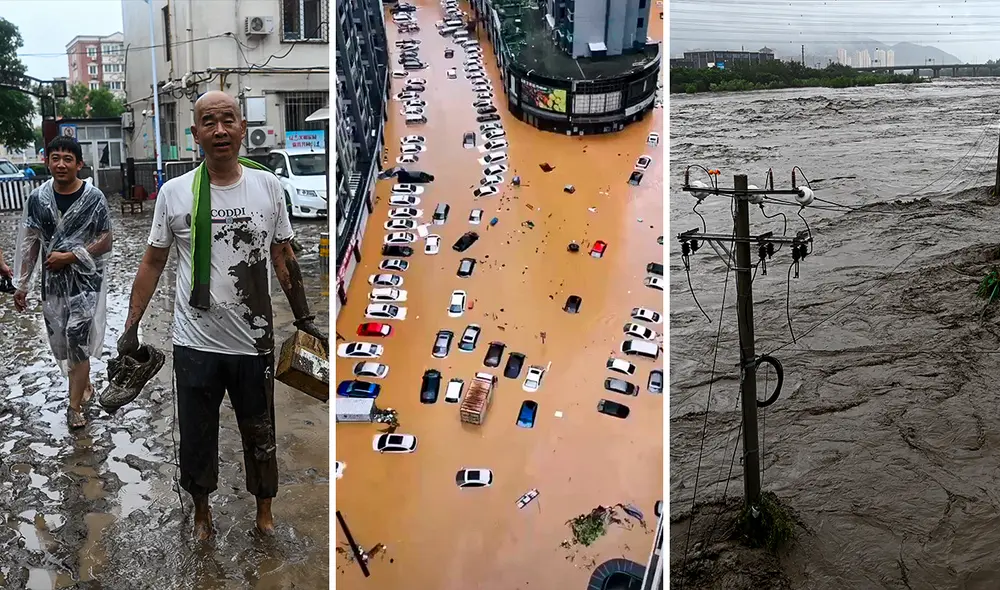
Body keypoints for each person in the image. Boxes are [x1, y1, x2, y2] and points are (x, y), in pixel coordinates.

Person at [118, 90, 327, 540]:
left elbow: (283, 254)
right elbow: (153, 261)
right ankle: (201, 515)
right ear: (195, 134)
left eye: (228, 120)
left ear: (241, 129)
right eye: (208, 123)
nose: (219, 131)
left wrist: (305, 318)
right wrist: (131, 326)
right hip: (195, 343)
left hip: (255, 341)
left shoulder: (268, 186)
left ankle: (264, 513)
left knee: (261, 433)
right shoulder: (174, 194)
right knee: (196, 437)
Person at [12, 136, 113, 429]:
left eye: (68, 159)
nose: (61, 164)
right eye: (55, 158)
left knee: (77, 340)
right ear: (47, 162)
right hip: (52, 284)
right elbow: (30, 243)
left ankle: (73, 407)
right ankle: (84, 382)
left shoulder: (94, 199)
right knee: (62, 346)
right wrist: (22, 284)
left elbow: (106, 241)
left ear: (79, 164)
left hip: (86, 283)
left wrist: (70, 256)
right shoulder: (37, 199)